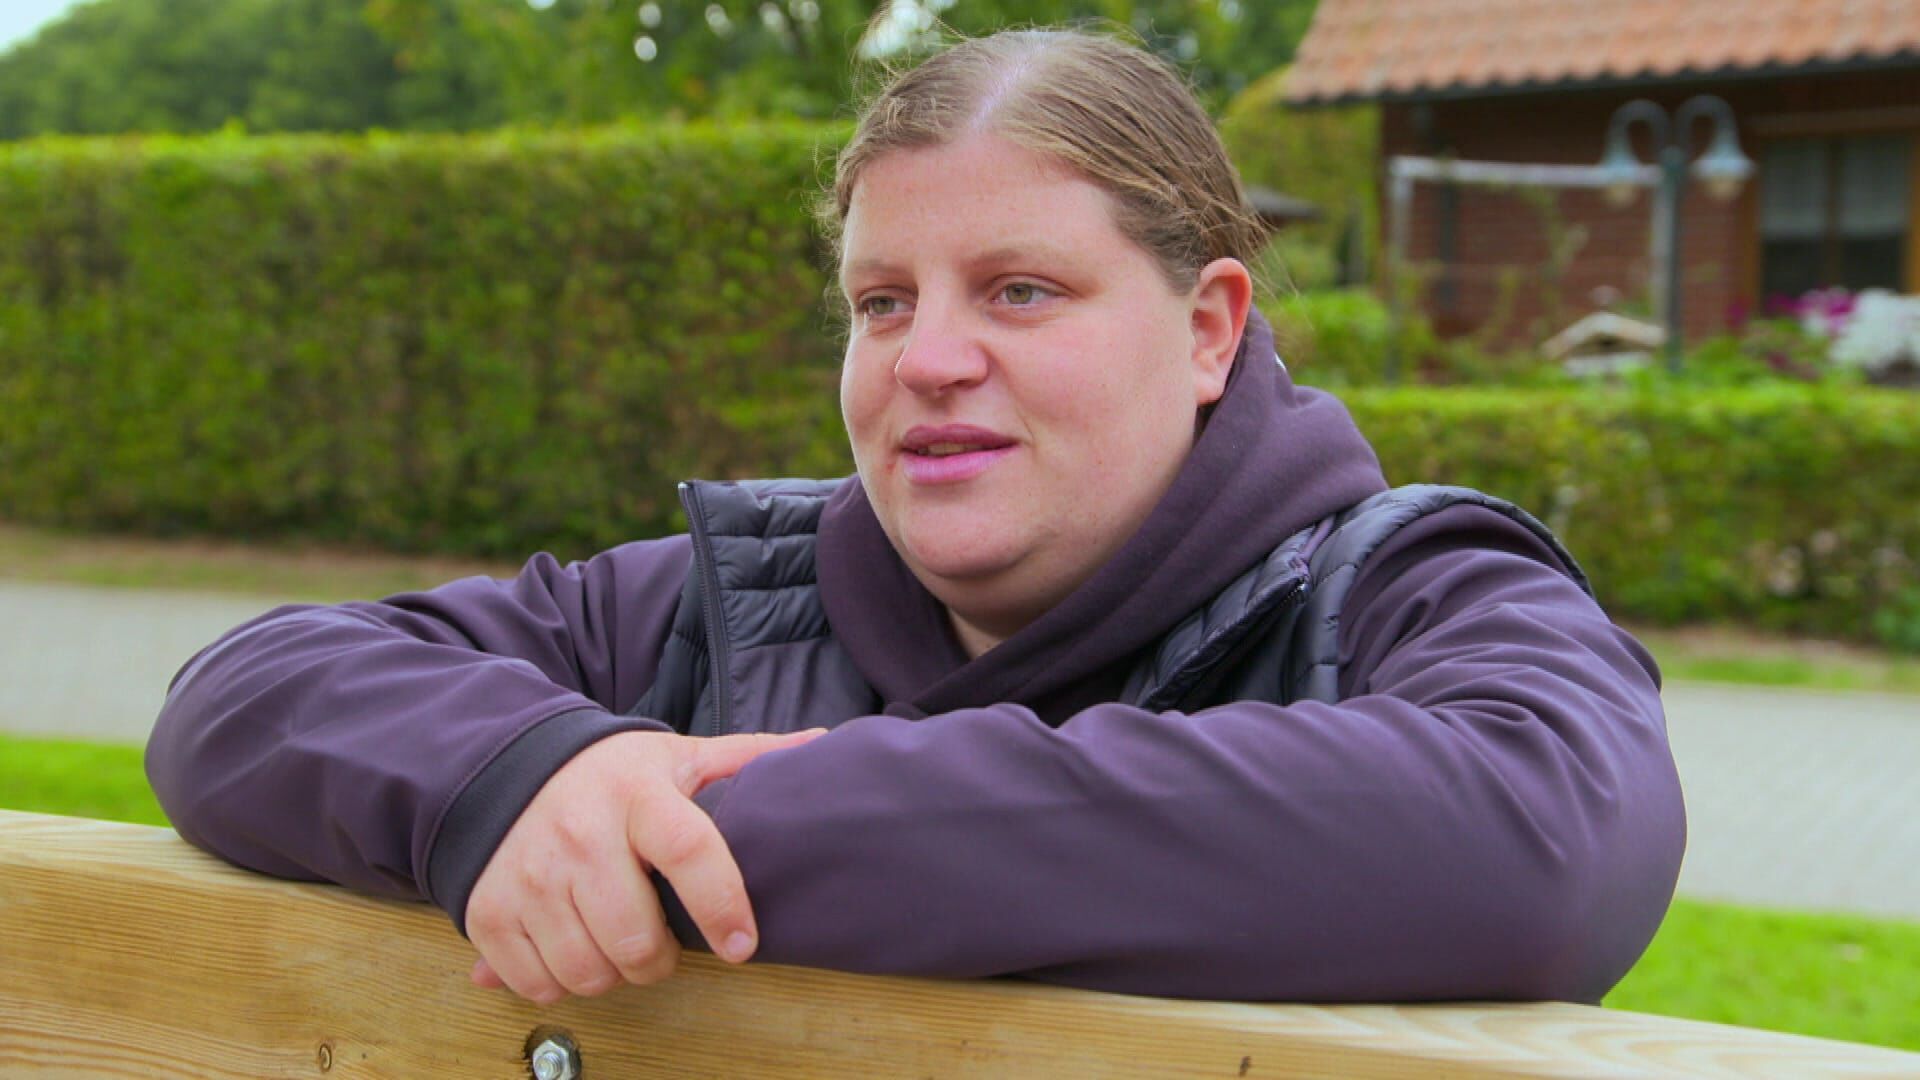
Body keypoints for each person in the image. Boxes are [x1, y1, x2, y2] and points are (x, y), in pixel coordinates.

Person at [146, 28, 1685, 1007]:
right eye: (882, 301)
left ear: (1210, 329)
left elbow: (1542, 843)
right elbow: (247, 696)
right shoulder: (723, 599)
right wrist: (519, 777)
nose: (928, 358)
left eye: (1020, 290)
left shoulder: (1409, 590)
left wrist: (671, 830)